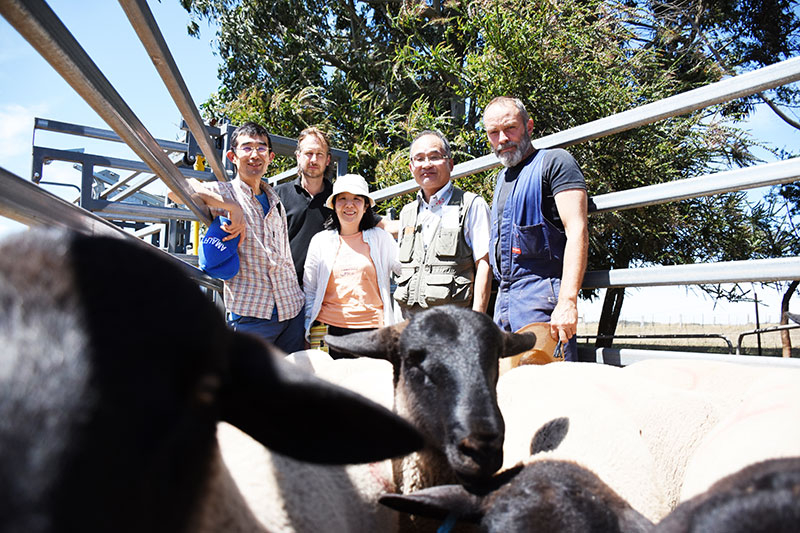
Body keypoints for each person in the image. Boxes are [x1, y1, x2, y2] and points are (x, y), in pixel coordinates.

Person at [173, 122, 305, 353]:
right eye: (247, 148)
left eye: (261, 148)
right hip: (252, 315)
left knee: (289, 385)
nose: (255, 154)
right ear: (233, 156)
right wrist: (230, 206)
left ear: (271, 157)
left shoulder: (275, 199)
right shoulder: (224, 192)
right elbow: (174, 190)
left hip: (292, 309)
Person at [482, 96, 589, 361]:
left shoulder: (555, 162)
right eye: (494, 133)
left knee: (548, 389)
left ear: (529, 126)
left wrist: (567, 302)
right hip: (504, 299)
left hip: (542, 297)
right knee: (506, 388)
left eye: (510, 128)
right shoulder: (501, 179)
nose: (503, 138)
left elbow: (577, 230)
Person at [276, 127, 398, 287]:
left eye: (319, 154)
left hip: (328, 290)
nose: (313, 160)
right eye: (308, 153)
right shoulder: (277, 195)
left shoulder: (340, 198)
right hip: (285, 290)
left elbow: (383, 225)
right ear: (298, 157)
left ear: (327, 160)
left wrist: (419, 222)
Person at [393, 130, 492, 316]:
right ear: (411, 167)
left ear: (450, 163)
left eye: (434, 157)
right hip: (411, 328)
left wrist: (477, 323)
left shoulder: (471, 204)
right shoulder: (407, 213)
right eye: (419, 159)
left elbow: (485, 265)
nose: (426, 164)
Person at [303, 174, 400, 358]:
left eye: (357, 199)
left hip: (372, 332)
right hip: (327, 331)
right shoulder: (320, 241)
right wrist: (307, 330)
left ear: (365, 207)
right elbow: (310, 291)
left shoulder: (381, 238)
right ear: (334, 205)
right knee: (330, 384)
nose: (349, 205)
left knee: (367, 385)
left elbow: (405, 267)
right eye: (343, 199)